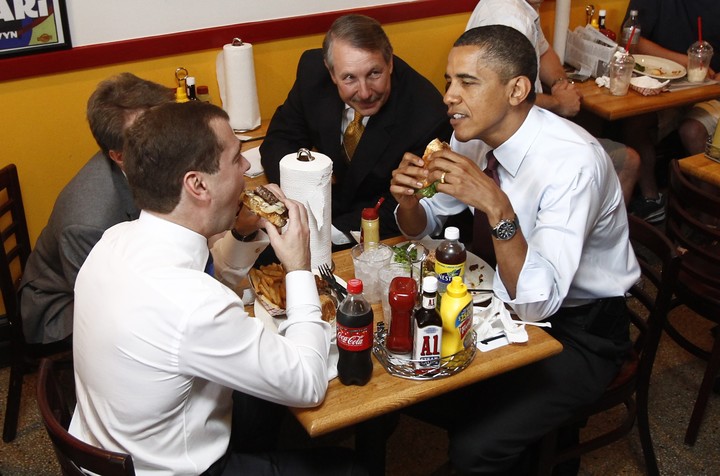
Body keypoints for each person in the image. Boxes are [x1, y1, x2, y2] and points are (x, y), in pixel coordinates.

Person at [391, 25, 639, 473]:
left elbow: (538, 302)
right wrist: (410, 202)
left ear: (517, 89)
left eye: (467, 82)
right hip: (498, 303)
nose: (449, 95)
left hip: (580, 329)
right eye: (449, 80)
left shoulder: (572, 164)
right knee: (406, 384)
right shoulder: (467, 132)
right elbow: (426, 224)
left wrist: (496, 206)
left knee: (475, 447)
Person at [68, 101, 364, 476]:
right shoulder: (192, 307)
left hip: (117, 441)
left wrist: (241, 232)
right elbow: (307, 383)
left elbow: (199, 291)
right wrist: (299, 268)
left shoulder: (115, 239)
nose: (246, 169)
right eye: (237, 158)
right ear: (197, 184)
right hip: (169, 468)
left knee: (265, 405)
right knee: (353, 469)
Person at [260, 14, 452, 244]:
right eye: (349, 78)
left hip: (367, 231)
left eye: (374, 73)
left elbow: (408, 206)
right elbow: (280, 139)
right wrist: (302, 191)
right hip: (307, 210)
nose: (364, 92)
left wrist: (327, 235)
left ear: (390, 62)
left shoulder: (427, 115)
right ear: (331, 72)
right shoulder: (312, 72)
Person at [18, 73, 174, 345]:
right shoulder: (89, 221)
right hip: (61, 306)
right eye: (151, 138)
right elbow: (106, 305)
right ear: (119, 156)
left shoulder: (140, 160)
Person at [466, 0, 641, 205]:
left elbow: (544, 52)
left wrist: (560, 84)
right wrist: (558, 103)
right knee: (629, 161)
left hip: (525, 127)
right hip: (509, 142)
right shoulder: (510, 19)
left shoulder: (523, 7)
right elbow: (505, 100)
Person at [620, 0, 719, 221]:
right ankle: (652, 199)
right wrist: (687, 61)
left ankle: (708, 215)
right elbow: (632, 39)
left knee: (692, 130)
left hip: (712, 90)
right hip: (666, 87)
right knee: (635, 122)